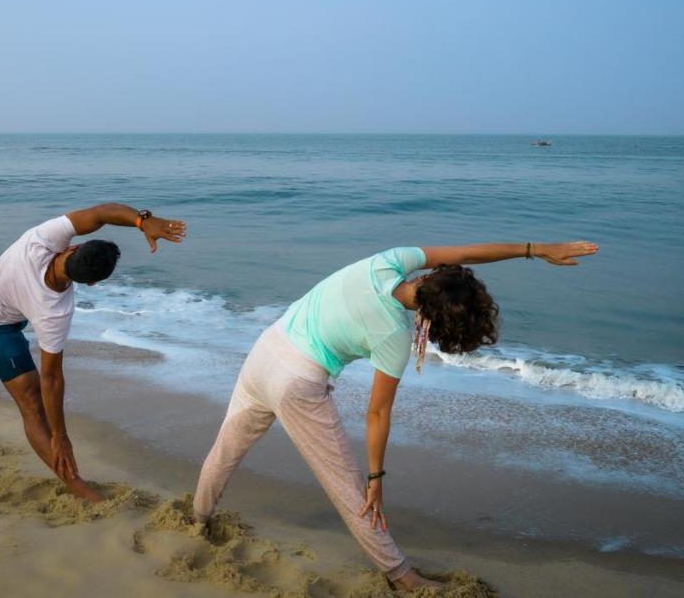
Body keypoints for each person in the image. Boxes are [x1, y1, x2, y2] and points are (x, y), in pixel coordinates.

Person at [192, 240, 598, 591]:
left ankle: (197, 519)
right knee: (352, 491)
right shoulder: (394, 336)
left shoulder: (388, 261)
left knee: (227, 446)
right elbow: (377, 413)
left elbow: (467, 250)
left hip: (267, 347)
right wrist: (375, 479)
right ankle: (401, 575)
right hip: (298, 382)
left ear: (432, 276)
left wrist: (534, 249)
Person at [0, 204, 187, 502]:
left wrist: (142, 221)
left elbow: (101, 213)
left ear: (75, 247)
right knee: (31, 401)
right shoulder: (54, 311)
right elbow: (51, 378)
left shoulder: (41, 239)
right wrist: (59, 436)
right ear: (92, 283)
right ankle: (79, 489)